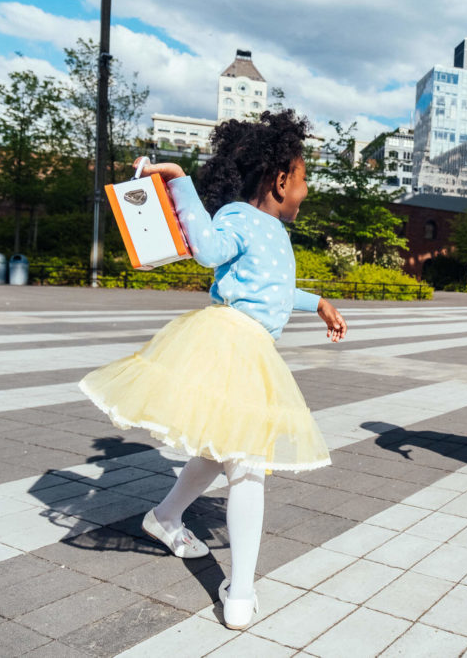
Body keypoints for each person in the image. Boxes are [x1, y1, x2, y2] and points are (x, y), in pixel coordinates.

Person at [79, 110, 346, 630]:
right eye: (305, 177)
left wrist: (316, 302)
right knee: (247, 464)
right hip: (228, 343)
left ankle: (164, 517)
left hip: (252, 349)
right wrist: (179, 182)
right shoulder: (236, 217)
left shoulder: (272, 231)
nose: (307, 189)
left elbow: (270, 290)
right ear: (281, 180)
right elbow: (207, 252)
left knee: (223, 448)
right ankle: (241, 590)